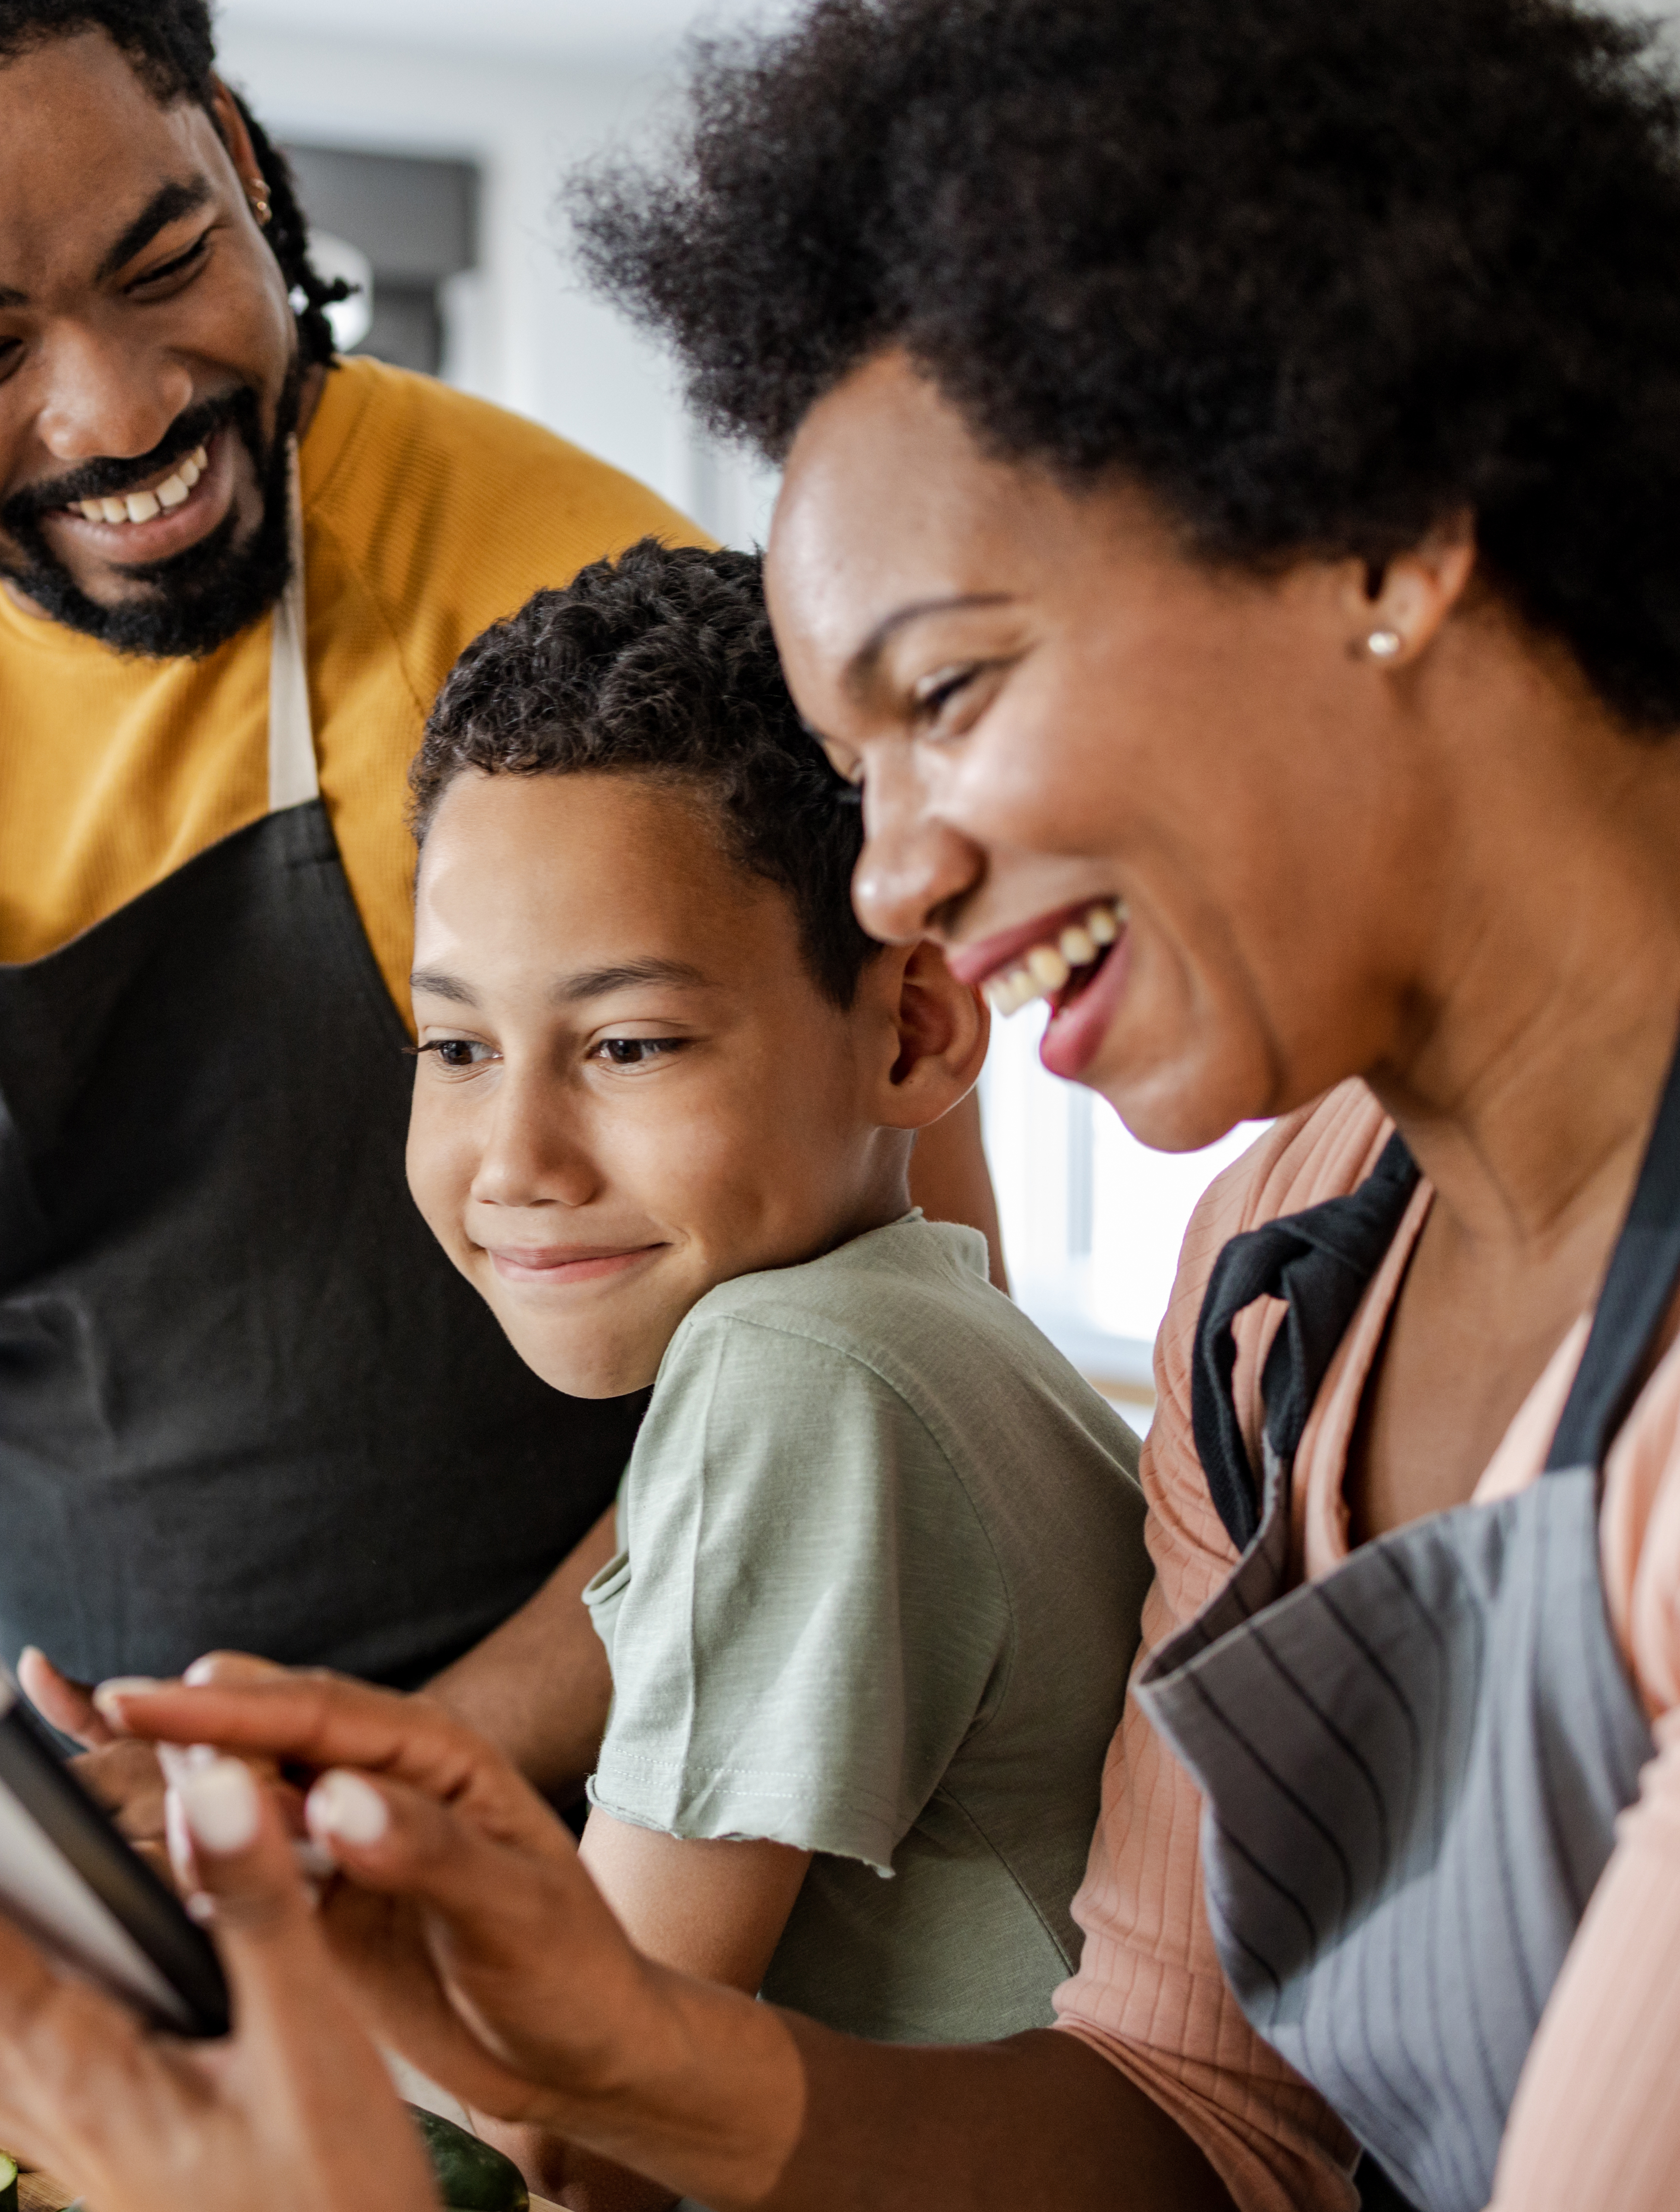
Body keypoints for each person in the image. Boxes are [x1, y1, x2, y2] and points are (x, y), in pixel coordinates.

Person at [0, 1, 1680, 2208]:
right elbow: (1206, 2130)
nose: (892, 878)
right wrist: (606, 2048)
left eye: (949, 691)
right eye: (855, 763)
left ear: (1381, 535)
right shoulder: (1282, 1270)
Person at [0, 0, 1002, 1788]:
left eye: (165, 264)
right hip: (126, 1839)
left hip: (605, 1821)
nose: (125, 406)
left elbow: (895, 1353)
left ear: (236, 156)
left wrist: (371, 1785)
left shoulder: (570, 616)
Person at [401, 541, 1151, 2206]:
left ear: (915, 1031)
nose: (514, 1158)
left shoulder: (798, 1371)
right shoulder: (918, 1323)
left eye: (629, 1045)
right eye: (455, 1046)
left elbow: (577, 2136)